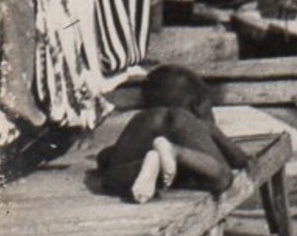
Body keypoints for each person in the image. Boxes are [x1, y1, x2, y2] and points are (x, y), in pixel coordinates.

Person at [96, 64, 249, 203]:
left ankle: (149, 161)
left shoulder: (143, 117)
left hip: (147, 124)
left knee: (111, 178)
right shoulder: (194, 120)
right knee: (222, 177)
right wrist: (217, 134)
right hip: (180, 128)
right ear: (198, 104)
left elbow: (104, 158)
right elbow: (240, 160)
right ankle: (175, 152)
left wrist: (111, 157)